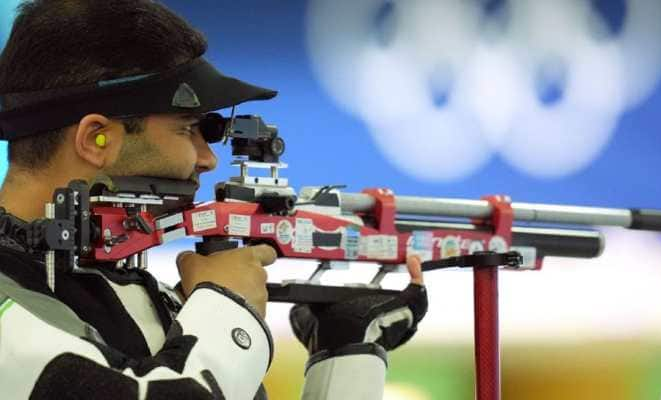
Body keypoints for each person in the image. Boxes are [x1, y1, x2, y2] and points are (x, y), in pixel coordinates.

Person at [0, 1, 428, 399]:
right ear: (97, 139)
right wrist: (228, 307)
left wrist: (345, 354)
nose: (207, 159)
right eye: (188, 128)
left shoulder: (156, 301)